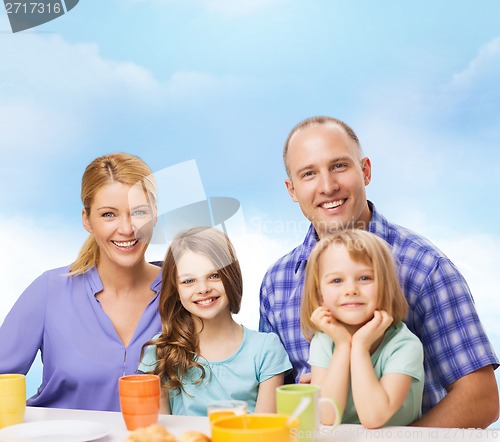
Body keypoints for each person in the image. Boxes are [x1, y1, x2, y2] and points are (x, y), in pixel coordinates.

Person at [259, 116, 499, 428]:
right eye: (309, 174)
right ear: (292, 189)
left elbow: (480, 399)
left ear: (366, 171)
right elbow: (272, 397)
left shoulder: (424, 267)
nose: (328, 186)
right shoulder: (277, 283)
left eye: (340, 166)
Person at [0, 153, 162, 411]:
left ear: (155, 214)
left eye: (139, 212)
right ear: (87, 219)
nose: (127, 228)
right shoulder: (49, 290)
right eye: (109, 215)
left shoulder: (183, 292)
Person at [138, 227, 291, 415]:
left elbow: (265, 431)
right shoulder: (160, 352)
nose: (203, 289)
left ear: (231, 278)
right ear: (176, 291)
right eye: (188, 281)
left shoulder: (266, 349)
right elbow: (159, 432)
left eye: (214, 276)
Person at [301, 229, 424, 428]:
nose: (351, 290)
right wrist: (342, 346)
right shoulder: (324, 341)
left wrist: (358, 347)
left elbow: (373, 417)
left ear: (386, 285)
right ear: (319, 294)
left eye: (365, 278)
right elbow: (327, 416)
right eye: (337, 280)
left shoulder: (404, 345)